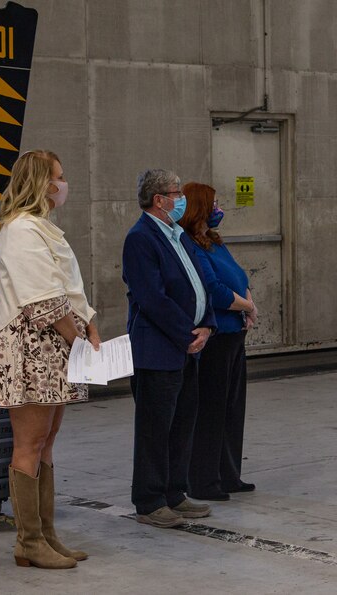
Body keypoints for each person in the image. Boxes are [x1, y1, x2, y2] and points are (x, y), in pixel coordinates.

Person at [0, 150, 98, 569]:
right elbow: (42, 300)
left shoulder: (44, 228)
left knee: (46, 442)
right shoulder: (20, 230)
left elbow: (67, 288)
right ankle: (28, 542)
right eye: (58, 177)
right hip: (28, 349)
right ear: (40, 183)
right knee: (29, 443)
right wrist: (79, 338)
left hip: (53, 348)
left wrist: (88, 323)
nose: (63, 185)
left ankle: (47, 534)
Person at [122, 169, 217, 528]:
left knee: (182, 423)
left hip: (188, 346)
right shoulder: (141, 238)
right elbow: (151, 298)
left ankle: (175, 493)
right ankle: (149, 501)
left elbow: (201, 282)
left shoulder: (177, 235)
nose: (182, 199)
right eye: (177, 193)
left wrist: (206, 323)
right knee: (155, 429)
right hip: (159, 349)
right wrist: (186, 334)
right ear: (159, 200)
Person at [179, 182, 257, 501]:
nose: (219, 208)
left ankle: (229, 474)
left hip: (235, 333)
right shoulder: (189, 245)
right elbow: (213, 289)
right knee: (211, 409)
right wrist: (246, 306)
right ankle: (203, 479)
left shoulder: (213, 241)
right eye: (214, 203)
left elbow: (238, 277)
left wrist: (248, 301)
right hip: (216, 336)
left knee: (231, 407)